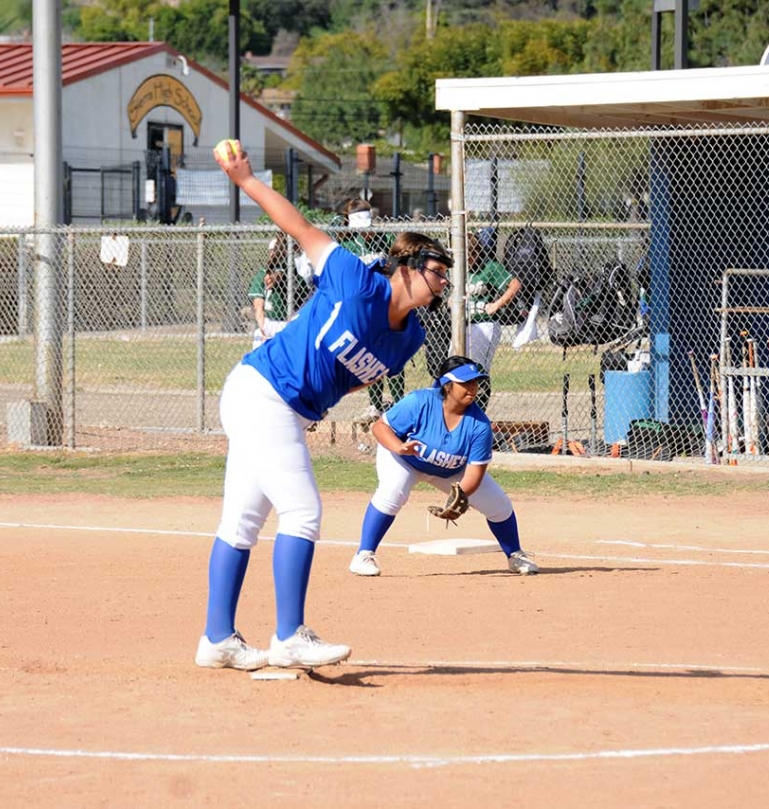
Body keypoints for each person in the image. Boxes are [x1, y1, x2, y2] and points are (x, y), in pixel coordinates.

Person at [196, 138, 453, 671]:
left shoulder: (410, 339)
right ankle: (289, 635)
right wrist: (245, 181)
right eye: (437, 270)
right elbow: (299, 228)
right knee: (303, 511)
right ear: (406, 267)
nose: (444, 281)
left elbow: (358, 379)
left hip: (284, 407)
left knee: (242, 521)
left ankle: (217, 639)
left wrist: (316, 396)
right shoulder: (354, 280)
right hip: (261, 390)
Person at [348, 355, 539, 577]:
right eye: (465, 382)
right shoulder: (419, 401)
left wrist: (459, 497)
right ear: (447, 386)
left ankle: (515, 555)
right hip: (404, 459)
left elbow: (475, 473)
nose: (473, 387)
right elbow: (380, 427)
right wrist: (399, 447)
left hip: (450, 471)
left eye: (475, 382)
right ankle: (363, 555)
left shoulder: (479, 425)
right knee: (393, 491)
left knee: (499, 505)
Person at [339, 198, 405, 419]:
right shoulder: (347, 245)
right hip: (363, 309)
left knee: (394, 355)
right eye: (361, 230)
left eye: (368, 229)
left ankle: (398, 403)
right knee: (369, 357)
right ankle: (375, 404)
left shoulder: (385, 239)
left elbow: (398, 265)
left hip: (387, 305)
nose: (367, 235)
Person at [466, 229, 522, 411]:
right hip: (463, 326)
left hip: (484, 324)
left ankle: (479, 412)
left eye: (470, 255)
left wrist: (496, 305)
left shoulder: (488, 266)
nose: (467, 261)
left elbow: (514, 284)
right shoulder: (458, 270)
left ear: (476, 252)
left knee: (479, 368)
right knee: (457, 367)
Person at [248, 235, 308, 349]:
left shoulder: (296, 278)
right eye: (273, 252)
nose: (274, 254)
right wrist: (264, 330)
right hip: (267, 323)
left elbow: (280, 275)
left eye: (280, 252)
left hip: (286, 323)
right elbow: (258, 307)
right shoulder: (262, 274)